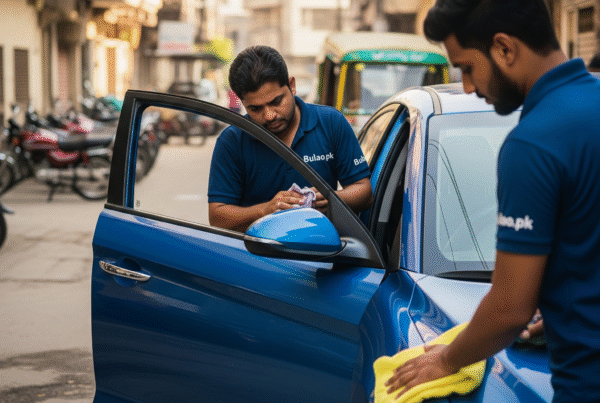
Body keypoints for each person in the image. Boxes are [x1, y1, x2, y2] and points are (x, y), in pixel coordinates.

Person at [385, 1, 600, 403]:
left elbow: (508, 310)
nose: (467, 86)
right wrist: (557, 312)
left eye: (467, 67)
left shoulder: (533, 145)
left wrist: (447, 359)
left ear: (504, 49)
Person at [208, 46, 373, 232]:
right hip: (256, 257)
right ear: (242, 102)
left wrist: (331, 199)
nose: (269, 115)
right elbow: (217, 216)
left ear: (291, 85)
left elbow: (364, 192)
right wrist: (266, 209)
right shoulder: (232, 141)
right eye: (256, 109)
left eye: (276, 102)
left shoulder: (331, 123)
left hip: (324, 252)